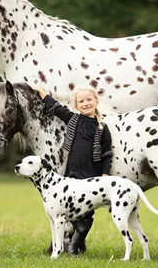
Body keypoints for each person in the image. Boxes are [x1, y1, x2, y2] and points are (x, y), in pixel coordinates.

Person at [33, 85, 113, 256]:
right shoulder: (73, 119)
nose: (85, 103)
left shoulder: (101, 128)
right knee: (70, 210)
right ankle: (67, 244)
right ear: (76, 106)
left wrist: (105, 175)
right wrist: (41, 92)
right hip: (72, 174)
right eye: (81, 101)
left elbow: (107, 154)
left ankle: (74, 246)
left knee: (87, 214)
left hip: (91, 176)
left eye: (89, 100)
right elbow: (56, 108)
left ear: (96, 101)